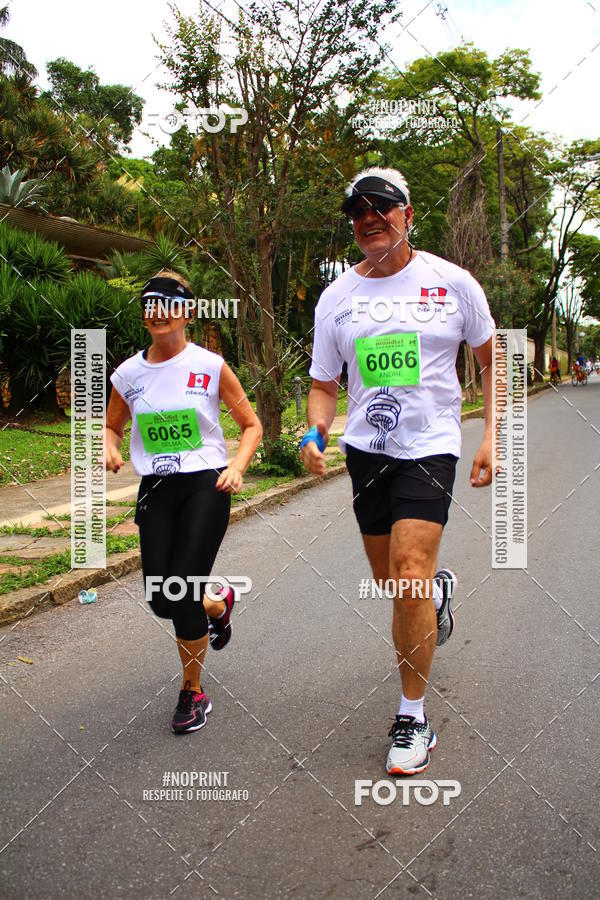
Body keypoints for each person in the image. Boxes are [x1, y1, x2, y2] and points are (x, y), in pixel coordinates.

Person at [301, 168, 495, 775]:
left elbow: (495, 361)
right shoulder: (336, 299)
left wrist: (493, 434)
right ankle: (434, 595)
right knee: (395, 584)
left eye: (381, 207)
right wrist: (314, 430)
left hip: (431, 445)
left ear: (409, 213)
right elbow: (323, 385)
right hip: (367, 452)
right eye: (358, 211)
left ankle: (413, 716)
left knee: (409, 572)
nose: (369, 219)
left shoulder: (451, 283)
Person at [105, 270, 262, 734]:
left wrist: (236, 467)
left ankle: (192, 691)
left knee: (181, 586)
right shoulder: (128, 374)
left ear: (186, 312)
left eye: (166, 304)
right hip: (156, 488)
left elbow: (250, 424)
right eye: (149, 304)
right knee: (160, 597)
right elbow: (113, 425)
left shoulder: (210, 366)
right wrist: (111, 447)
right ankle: (218, 605)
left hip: (205, 487)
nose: (156, 312)